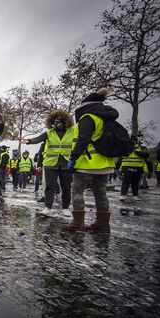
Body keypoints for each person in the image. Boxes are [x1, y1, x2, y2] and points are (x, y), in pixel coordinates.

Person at [65, 88, 116, 232]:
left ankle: (78, 222)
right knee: (101, 193)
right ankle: (103, 224)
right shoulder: (106, 118)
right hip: (104, 163)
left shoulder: (88, 117)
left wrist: (73, 157)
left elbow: (83, 140)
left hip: (87, 163)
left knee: (77, 191)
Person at [21, 110, 74, 216]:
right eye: (54, 122)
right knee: (50, 186)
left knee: (66, 187)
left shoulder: (72, 131)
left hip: (66, 163)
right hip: (51, 163)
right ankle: (48, 207)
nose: (56, 124)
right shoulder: (49, 132)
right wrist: (29, 141)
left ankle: (65, 207)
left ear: (64, 121)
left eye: (58, 121)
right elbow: (39, 138)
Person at [118, 134, 149, 202]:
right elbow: (120, 156)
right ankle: (123, 195)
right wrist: (119, 167)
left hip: (138, 167)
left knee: (135, 182)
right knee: (126, 181)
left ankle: (135, 195)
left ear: (136, 141)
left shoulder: (141, 146)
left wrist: (136, 152)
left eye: (134, 140)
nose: (133, 141)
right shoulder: (125, 147)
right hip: (127, 166)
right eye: (132, 140)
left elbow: (146, 154)